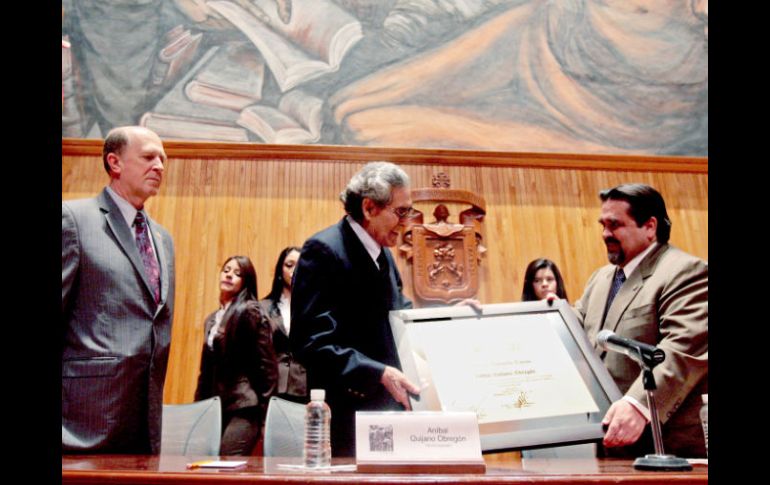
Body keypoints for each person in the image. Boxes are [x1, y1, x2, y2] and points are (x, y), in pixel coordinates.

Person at [290, 161, 421, 457]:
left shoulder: (384, 255)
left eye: (409, 211)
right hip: (347, 416)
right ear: (369, 208)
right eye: (401, 212)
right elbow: (310, 342)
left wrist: (450, 315)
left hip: (388, 414)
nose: (407, 221)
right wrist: (377, 372)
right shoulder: (323, 250)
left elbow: (401, 318)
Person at [62, 126, 175, 454]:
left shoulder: (162, 238)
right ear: (115, 162)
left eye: (163, 159)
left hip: (143, 418)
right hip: (82, 421)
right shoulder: (74, 220)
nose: (159, 166)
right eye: (148, 157)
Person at [573, 183, 708, 458]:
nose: (605, 234)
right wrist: (544, 317)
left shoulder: (685, 271)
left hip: (666, 445)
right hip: (609, 440)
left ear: (650, 226)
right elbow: (575, 330)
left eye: (615, 225)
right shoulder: (601, 278)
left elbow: (682, 348)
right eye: (603, 225)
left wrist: (638, 404)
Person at [195, 256, 278, 455]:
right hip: (216, 405)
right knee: (204, 463)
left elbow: (267, 368)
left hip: (244, 405)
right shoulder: (212, 319)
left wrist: (266, 416)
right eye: (226, 270)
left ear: (246, 282)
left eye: (237, 273)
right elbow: (205, 371)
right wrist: (198, 408)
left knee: (226, 462)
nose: (230, 275)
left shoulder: (249, 311)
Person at [258, 246, 308, 403]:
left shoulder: (314, 308)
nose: (294, 270)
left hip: (304, 385)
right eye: (289, 265)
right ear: (280, 271)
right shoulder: (261, 307)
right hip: (270, 385)